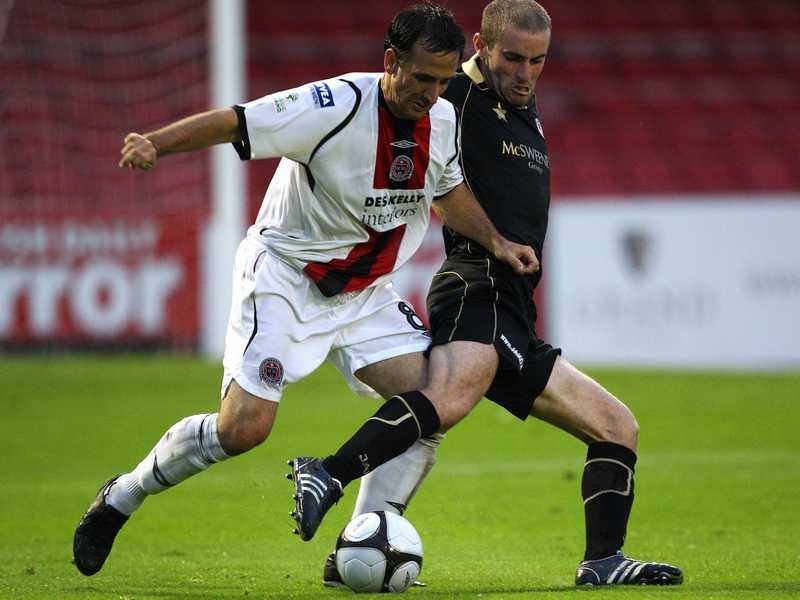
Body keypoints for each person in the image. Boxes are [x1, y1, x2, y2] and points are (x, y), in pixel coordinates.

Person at [71, 3, 539, 577]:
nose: (432, 94)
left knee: (427, 408)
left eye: (443, 81)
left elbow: (449, 189)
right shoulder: (333, 106)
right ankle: (124, 495)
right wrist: (155, 144)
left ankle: (356, 546)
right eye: (421, 78)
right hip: (286, 277)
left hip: (363, 294)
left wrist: (495, 240)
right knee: (243, 430)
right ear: (391, 61)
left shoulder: (441, 120)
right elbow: (235, 121)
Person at [293, 0, 684, 587]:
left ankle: (602, 562)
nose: (525, 72)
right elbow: (401, 111)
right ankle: (327, 471)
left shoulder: (519, 102)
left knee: (616, 426)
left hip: (514, 306)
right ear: (480, 46)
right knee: (447, 399)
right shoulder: (458, 97)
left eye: (538, 60)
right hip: (477, 283)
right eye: (512, 58)